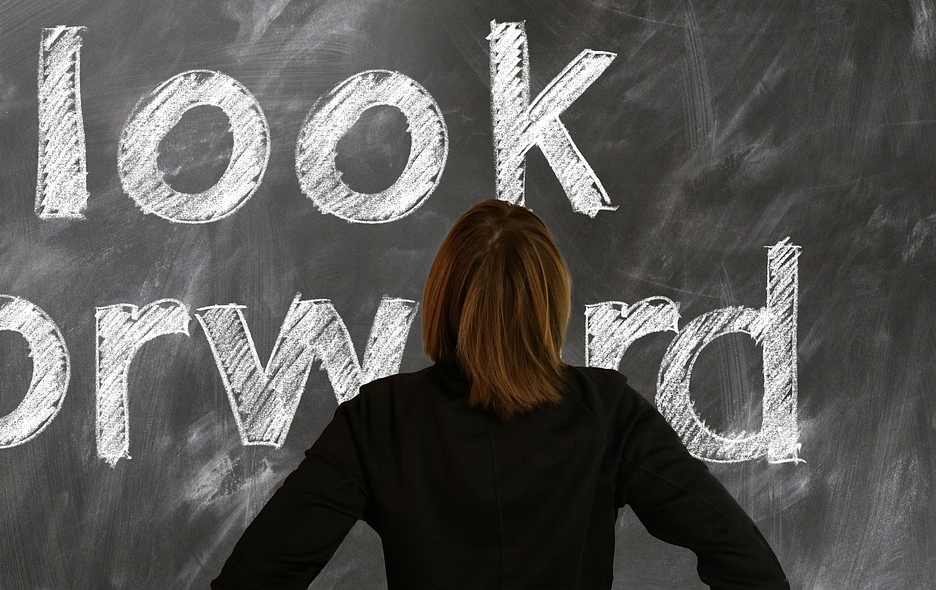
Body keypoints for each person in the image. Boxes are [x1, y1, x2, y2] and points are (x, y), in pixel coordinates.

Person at [211, 200, 789, 589]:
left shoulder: (379, 420)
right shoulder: (607, 411)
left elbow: (251, 580)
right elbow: (751, 569)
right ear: (550, 302)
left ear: (445, 297)